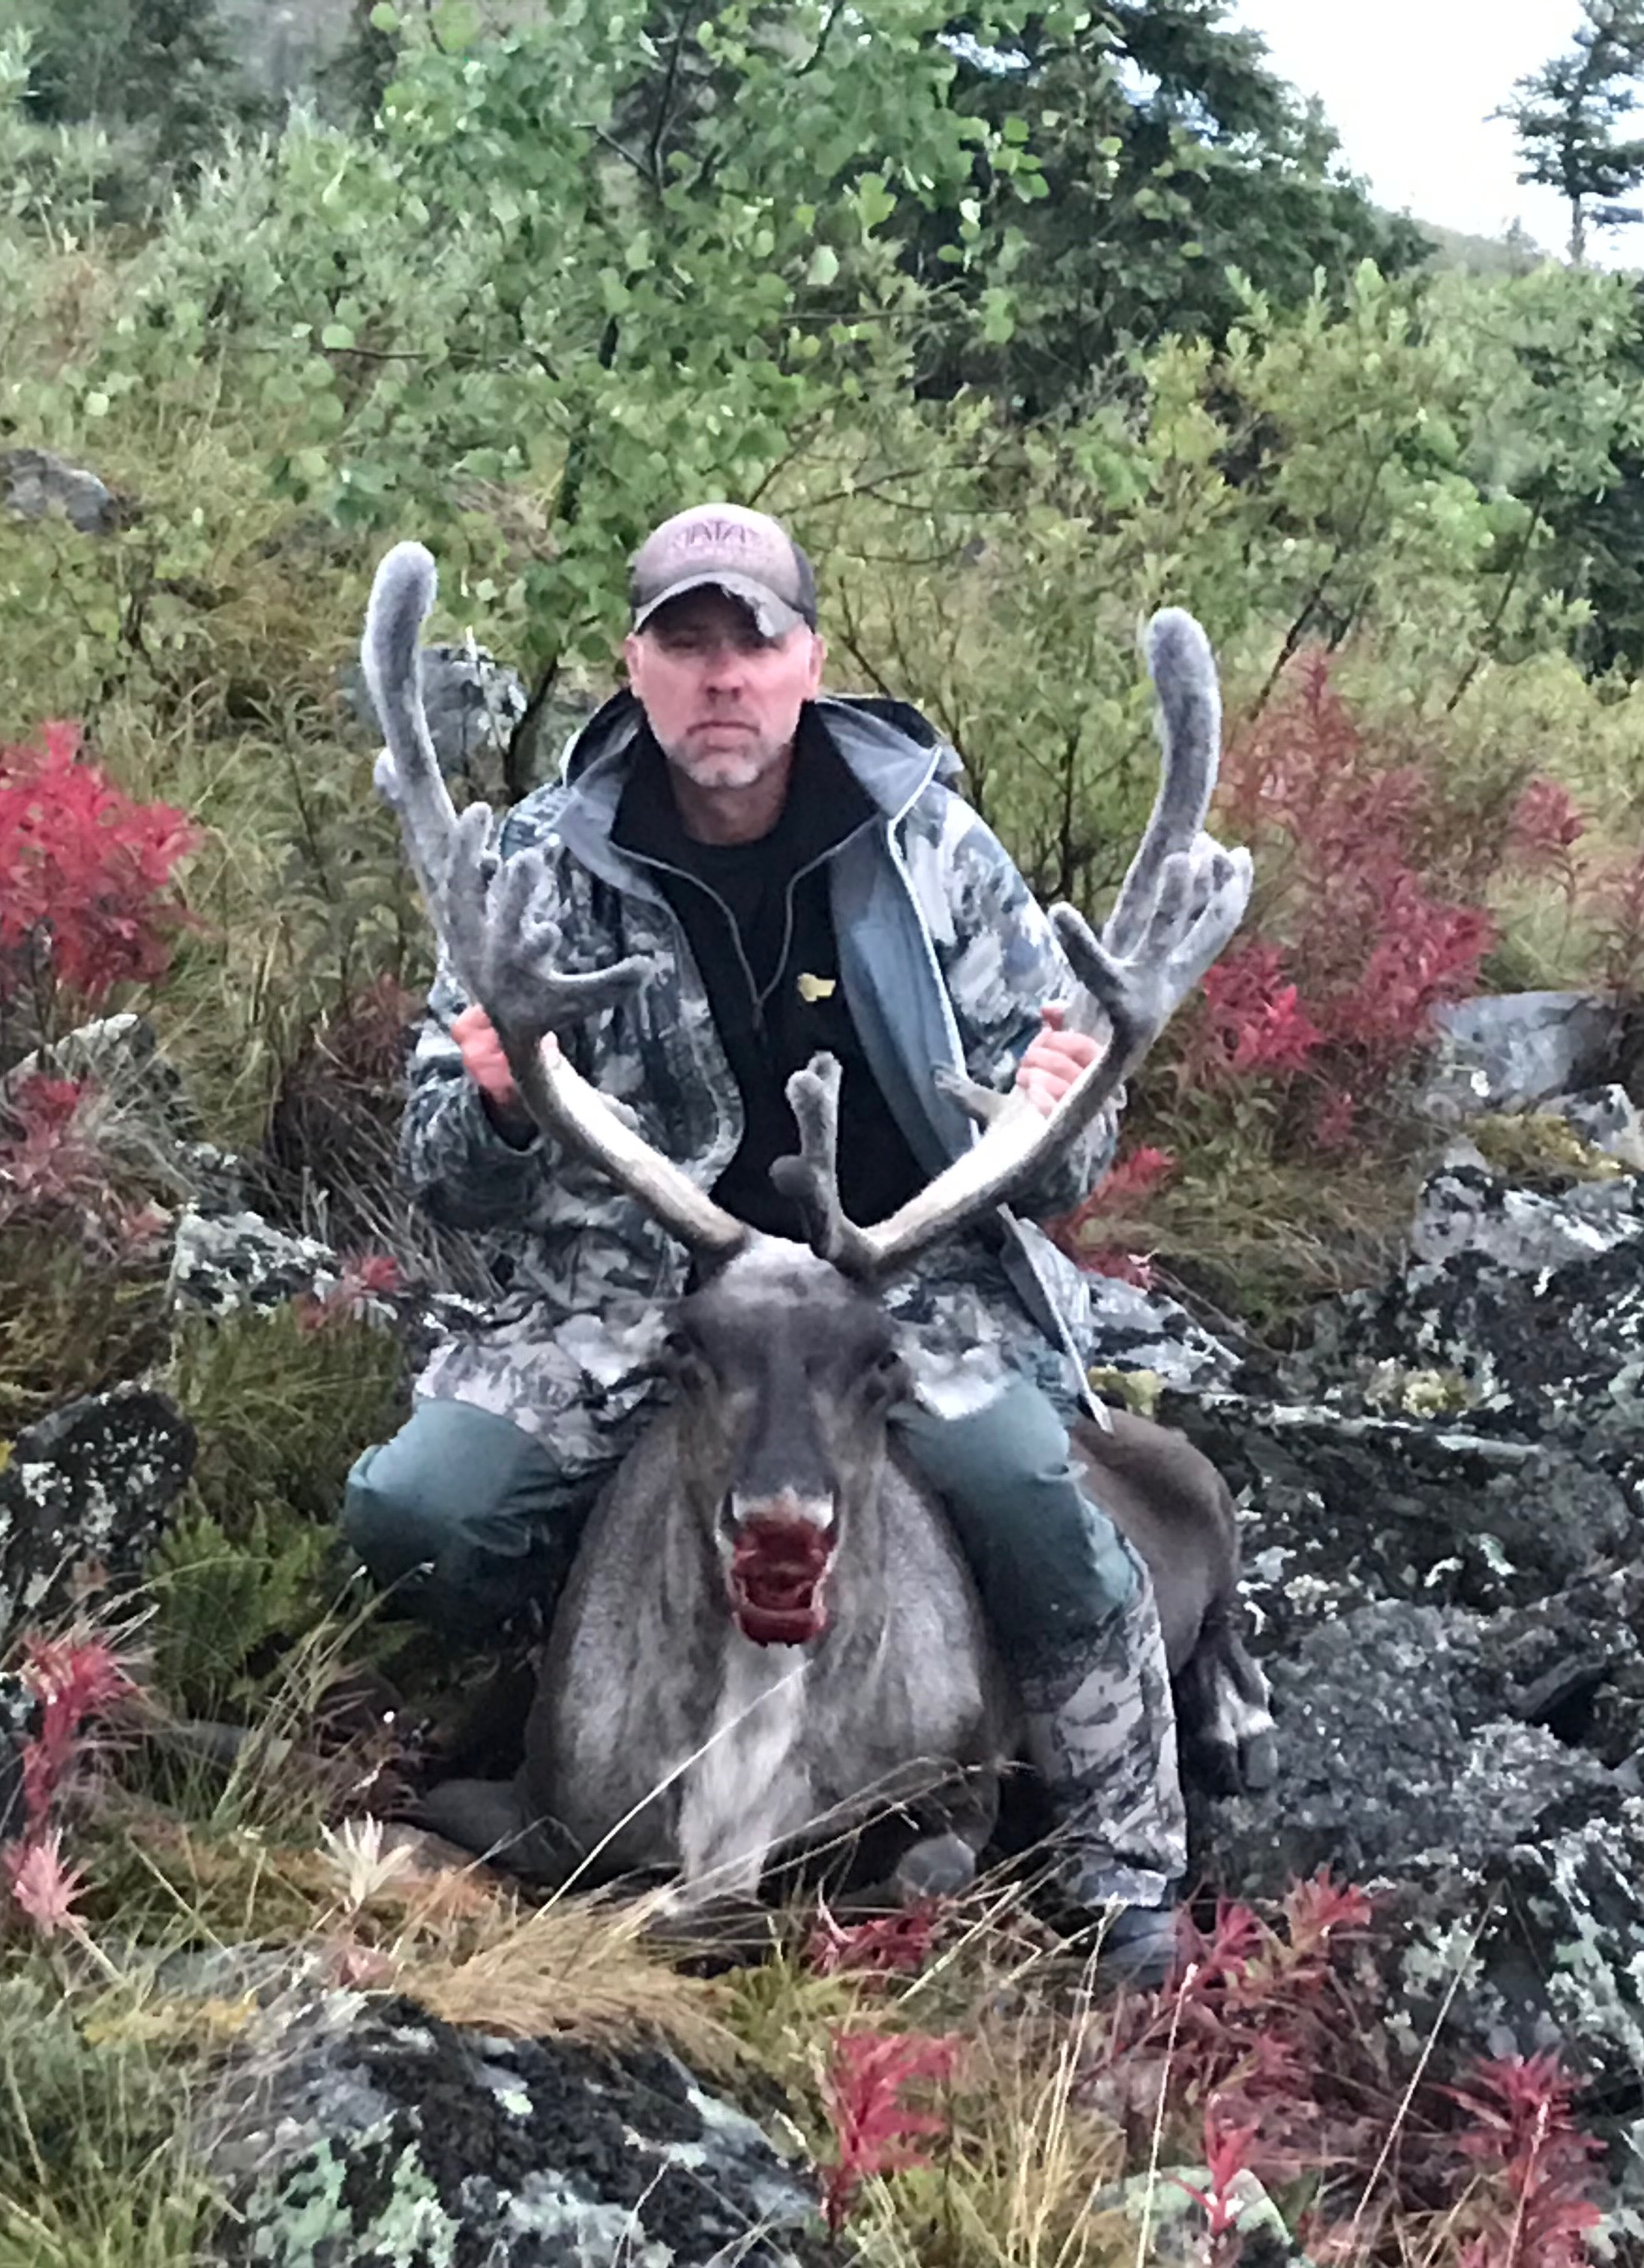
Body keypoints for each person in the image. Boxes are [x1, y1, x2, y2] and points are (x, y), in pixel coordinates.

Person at [340, 500, 1186, 1982]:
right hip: (634, 1295)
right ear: (636, 665)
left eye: (755, 640)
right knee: (423, 1513)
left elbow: (1062, 1173)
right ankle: (565, 1699)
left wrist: (1064, 1107)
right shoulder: (534, 869)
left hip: (908, 1291)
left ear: (809, 661)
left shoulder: (937, 853)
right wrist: (495, 1101)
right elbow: (447, 1181)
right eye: (688, 642)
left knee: (1031, 1500)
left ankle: (1129, 1884)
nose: (722, 676)